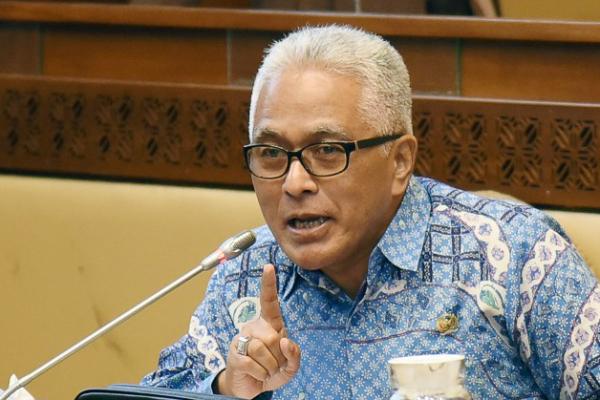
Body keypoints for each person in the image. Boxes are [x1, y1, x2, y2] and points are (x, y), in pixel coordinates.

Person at [141, 25, 600, 399]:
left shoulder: (513, 256)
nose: (294, 183)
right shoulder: (244, 278)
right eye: (272, 153)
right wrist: (226, 388)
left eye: (327, 150)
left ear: (399, 161)